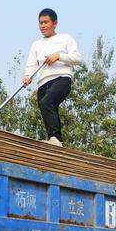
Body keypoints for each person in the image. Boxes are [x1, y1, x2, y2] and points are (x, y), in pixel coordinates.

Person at [23, 8, 82, 147]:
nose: (42, 25)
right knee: (48, 107)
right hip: (43, 82)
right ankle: (55, 140)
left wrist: (58, 56)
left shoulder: (65, 38)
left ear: (55, 23)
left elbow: (77, 58)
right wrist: (27, 76)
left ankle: (55, 138)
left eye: (46, 22)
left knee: (46, 102)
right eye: (40, 23)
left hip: (61, 78)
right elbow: (31, 65)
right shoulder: (36, 44)